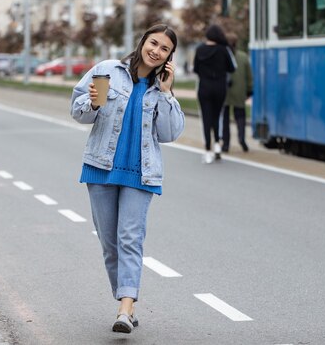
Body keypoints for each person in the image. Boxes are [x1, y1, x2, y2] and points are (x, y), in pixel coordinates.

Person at [70, 24, 184, 334]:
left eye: (164, 49)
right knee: (110, 245)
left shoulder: (160, 87)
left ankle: (125, 307)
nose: (156, 51)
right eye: (154, 43)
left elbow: (170, 134)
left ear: (169, 57)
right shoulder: (108, 71)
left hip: (141, 174)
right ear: (143, 41)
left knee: (130, 239)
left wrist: (166, 92)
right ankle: (125, 301)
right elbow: (78, 112)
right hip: (101, 168)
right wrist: (92, 103)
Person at [193, 24, 236, 163]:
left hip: (204, 87)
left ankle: (207, 150)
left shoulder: (199, 50)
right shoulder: (224, 50)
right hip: (220, 87)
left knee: (206, 118)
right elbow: (232, 68)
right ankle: (217, 144)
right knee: (218, 116)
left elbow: (196, 69)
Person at [222, 33, 253, 153]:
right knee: (240, 117)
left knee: (225, 119)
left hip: (225, 91)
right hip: (240, 91)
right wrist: (250, 89)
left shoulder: (223, 56)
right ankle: (242, 138)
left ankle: (226, 143)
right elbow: (249, 75)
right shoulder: (243, 56)